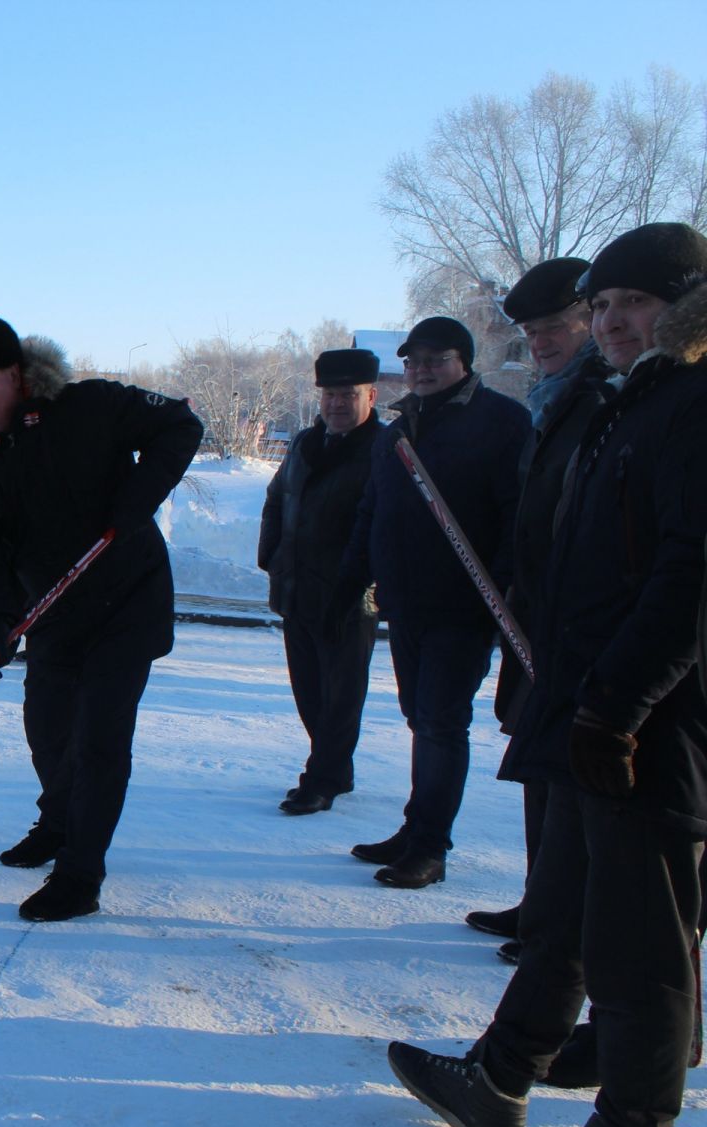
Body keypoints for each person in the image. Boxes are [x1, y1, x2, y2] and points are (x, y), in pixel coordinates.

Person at [385, 222, 707, 1127]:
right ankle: (502, 1073)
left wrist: (616, 703)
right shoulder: (633, 401)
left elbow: (689, 577)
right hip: (587, 694)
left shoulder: (695, 405)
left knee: (642, 944)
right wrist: (553, 681)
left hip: (655, 717)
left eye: (633, 303)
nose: (610, 319)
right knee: (561, 906)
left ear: (684, 308)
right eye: (600, 303)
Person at [0, 314, 201, 922]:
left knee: (100, 736)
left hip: (126, 600)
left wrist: (136, 500)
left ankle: (81, 873)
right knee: (48, 731)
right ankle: (56, 823)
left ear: (16, 373)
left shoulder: (90, 404)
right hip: (50, 609)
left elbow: (180, 424)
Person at [333, 316, 530, 888]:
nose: (421, 371)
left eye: (435, 360)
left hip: (464, 604)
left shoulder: (501, 422)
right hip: (407, 602)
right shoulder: (398, 432)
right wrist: (352, 577)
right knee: (420, 718)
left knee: (442, 722)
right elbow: (374, 509)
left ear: (463, 363)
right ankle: (415, 827)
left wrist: (507, 584)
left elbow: (518, 511)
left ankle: (430, 847)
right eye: (414, 362)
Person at [467, 257, 612, 961]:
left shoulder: (600, 397)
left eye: (556, 324)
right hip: (541, 613)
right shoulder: (552, 398)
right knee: (536, 759)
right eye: (531, 329)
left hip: (581, 622)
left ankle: (561, 927)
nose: (542, 339)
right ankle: (541, 904)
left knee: (567, 771)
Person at [257, 349, 384, 815]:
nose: (337, 403)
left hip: (349, 596)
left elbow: (386, 524)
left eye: (348, 395)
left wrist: (366, 582)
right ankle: (336, 768)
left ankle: (322, 778)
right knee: (309, 692)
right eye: (330, 394)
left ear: (370, 395)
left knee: (340, 696)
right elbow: (276, 499)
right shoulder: (306, 444)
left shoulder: (383, 449)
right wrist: (271, 556)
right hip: (297, 590)